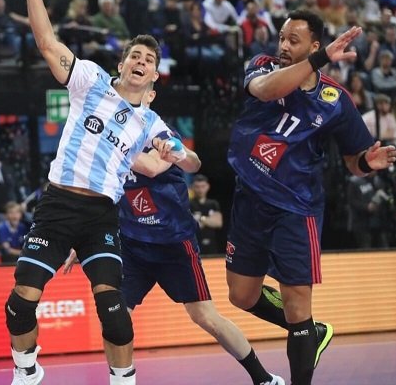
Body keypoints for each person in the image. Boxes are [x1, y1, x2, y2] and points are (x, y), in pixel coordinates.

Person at [5, 0, 182, 385]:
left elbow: (174, 161)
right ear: (121, 64)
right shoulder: (90, 80)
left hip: (101, 213)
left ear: (155, 76)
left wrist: (178, 153)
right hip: (58, 205)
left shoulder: (150, 122)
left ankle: (123, 381)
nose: (140, 63)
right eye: (135, 57)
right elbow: (47, 43)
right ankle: (27, 372)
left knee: (113, 310)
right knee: (20, 302)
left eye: (148, 61)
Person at [225, 10, 396, 385]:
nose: (284, 46)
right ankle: (310, 329)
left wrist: (367, 164)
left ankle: (302, 342)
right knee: (241, 295)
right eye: (282, 38)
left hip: (296, 208)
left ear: (314, 45)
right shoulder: (262, 66)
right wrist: (316, 61)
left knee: (297, 303)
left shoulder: (335, 99)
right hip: (250, 199)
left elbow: (355, 161)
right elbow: (268, 90)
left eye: (294, 40)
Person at [65, 89, 285, 385]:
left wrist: (109, 143)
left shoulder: (159, 133)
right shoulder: (110, 142)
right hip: (133, 246)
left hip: (174, 243)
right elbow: (103, 196)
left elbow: (163, 166)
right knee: (116, 316)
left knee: (206, 317)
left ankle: (263, 378)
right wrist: (83, 237)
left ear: (151, 97)